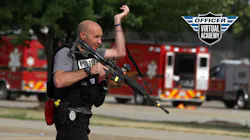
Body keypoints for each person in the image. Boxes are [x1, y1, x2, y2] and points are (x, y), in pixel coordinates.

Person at [52, 4, 130, 140]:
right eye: (96, 37)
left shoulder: (94, 55)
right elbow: (59, 81)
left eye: (101, 37)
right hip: (69, 121)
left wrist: (117, 22)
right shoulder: (66, 54)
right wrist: (89, 70)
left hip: (83, 120)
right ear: (83, 35)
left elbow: (120, 52)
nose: (100, 41)